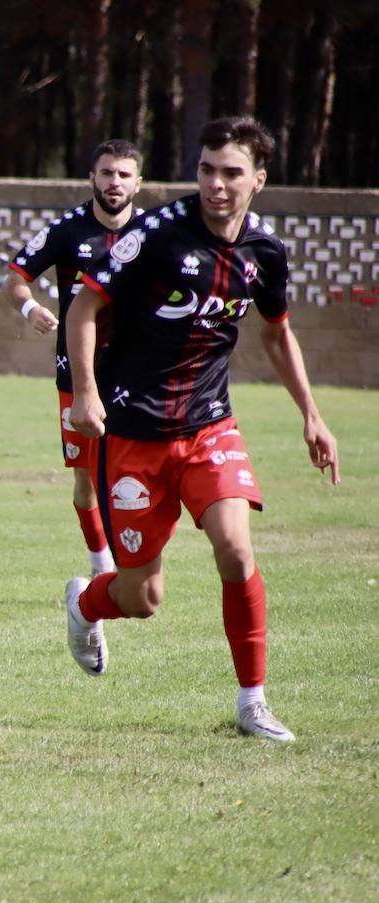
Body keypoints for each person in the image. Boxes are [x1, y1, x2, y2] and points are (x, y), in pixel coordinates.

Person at [64, 116, 340, 742]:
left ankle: (252, 703)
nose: (216, 184)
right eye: (207, 170)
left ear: (258, 180)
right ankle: (86, 603)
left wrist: (312, 414)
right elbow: (84, 307)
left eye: (232, 173)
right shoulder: (156, 236)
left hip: (210, 425)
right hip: (133, 432)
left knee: (237, 550)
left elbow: (275, 333)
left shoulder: (265, 253)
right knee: (141, 596)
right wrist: (85, 394)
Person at [6, 139, 143, 579]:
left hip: (136, 371)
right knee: (86, 476)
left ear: (138, 182)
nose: (114, 182)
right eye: (106, 173)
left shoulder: (156, 231)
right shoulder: (67, 230)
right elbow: (16, 277)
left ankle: (135, 557)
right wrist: (32, 308)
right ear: (92, 178)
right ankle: (101, 559)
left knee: (135, 469)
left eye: (124, 174)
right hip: (75, 372)